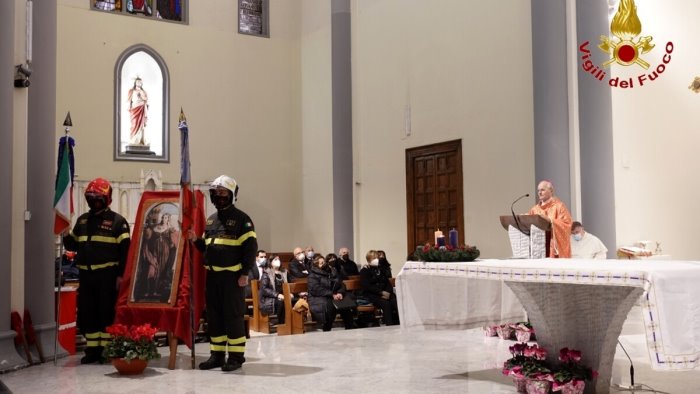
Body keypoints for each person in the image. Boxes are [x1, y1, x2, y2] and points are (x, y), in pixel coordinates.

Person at [188, 175, 257, 372]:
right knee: (214, 316)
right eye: (216, 193)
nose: (219, 196)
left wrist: (245, 273)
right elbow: (208, 248)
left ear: (232, 195)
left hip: (233, 278)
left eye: (223, 193)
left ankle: (235, 358)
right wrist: (195, 240)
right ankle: (217, 356)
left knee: (233, 317)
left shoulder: (243, 220)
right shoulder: (211, 221)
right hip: (213, 278)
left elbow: (251, 249)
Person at [63, 178, 130, 364]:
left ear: (107, 199)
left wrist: (120, 276)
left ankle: (107, 350)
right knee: (87, 312)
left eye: (97, 198)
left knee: (105, 312)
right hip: (86, 276)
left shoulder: (118, 222)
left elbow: (126, 253)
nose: (94, 201)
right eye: (90, 197)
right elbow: (73, 244)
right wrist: (65, 232)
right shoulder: (83, 220)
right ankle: (92, 350)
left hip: (107, 276)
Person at [307, 255, 355, 331]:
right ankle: (326, 329)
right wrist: (332, 294)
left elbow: (341, 284)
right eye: (321, 263)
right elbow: (316, 289)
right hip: (319, 298)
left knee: (345, 305)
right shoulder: (312, 275)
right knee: (330, 305)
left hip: (333, 295)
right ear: (316, 265)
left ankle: (350, 329)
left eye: (324, 262)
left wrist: (340, 293)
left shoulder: (332, 271)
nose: (323, 264)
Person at [528, 180, 573, 258]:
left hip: (553, 249)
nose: (539, 192)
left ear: (551, 191)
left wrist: (551, 221)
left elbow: (568, 224)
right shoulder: (534, 209)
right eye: (538, 190)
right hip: (538, 249)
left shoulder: (559, 206)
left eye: (542, 190)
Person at [360, 250, 399, 326]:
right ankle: (390, 326)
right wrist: (381, 292)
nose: (377, 259)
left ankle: (400, 323)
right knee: (386, 304)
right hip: (373, 295)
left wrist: (388, 292)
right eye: (374, 258)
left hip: (385, 293)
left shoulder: (380, 269)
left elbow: (387, 283)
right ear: (369, 260)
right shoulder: (364, 271)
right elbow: (367, 286)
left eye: (377, 257)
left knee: (395, 301)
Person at [259, 256, 288, 325]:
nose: (277, 261)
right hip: (270, 298)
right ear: (271, 262)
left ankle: (293, 321)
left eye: (278, 259)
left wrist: (290, 293)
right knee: (280, 302)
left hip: (284, 295)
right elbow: (264, 289)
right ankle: (281, 323)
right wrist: (277, 295)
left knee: (295, 300)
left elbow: (289, 284)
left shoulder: (284, 272)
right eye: (275, 259)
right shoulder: (266, 273)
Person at [127, 77, 148, 145]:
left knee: (141, 125)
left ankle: (139, 141)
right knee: (134, 123)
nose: (139, 83)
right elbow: (129, 101)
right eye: (137, 82)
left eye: (140, 82)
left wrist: (141, 96)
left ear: (142, 83)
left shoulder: (143, 91)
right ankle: (133, 140)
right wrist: (130, 107)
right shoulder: (131, 91)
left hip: (141, 108)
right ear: (135, 82)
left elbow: (146, 99)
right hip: (134, 109)